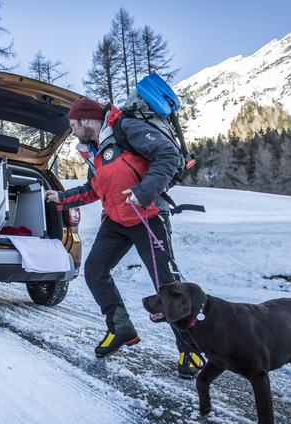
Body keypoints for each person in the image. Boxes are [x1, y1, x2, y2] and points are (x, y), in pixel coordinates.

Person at [46, 98, 203, 376]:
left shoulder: (125, 128)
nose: (71, 132)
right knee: (95, 270)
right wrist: (62, 199)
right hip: (116, 220)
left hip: (148, 215)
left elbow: (169, 156)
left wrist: (143, 192)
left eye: (72, 125)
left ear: (84, 120)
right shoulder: (94, 150)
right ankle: (120, 328)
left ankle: (192, 350)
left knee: (168, 286)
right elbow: (94, 188)